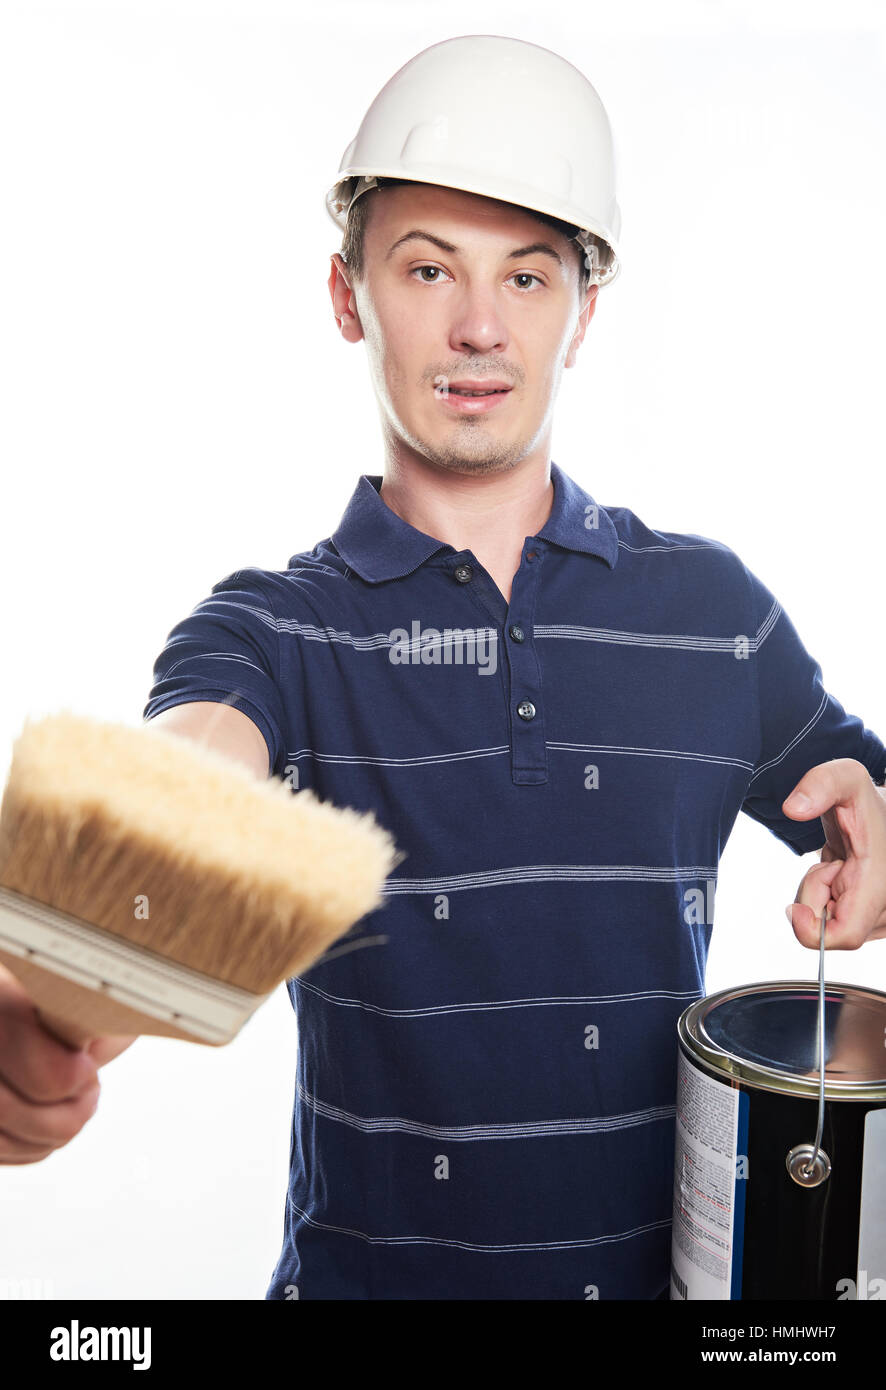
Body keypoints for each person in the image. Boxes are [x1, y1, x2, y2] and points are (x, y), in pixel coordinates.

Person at [2, 34, 884, 1302]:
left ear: (584, 311)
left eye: (527, 276)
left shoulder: (713, 613)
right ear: (348, 293)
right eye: (429, 268)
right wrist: (47, 989)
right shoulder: (271, 630)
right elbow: (186, 780)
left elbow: (865, 801)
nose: (479, 326)